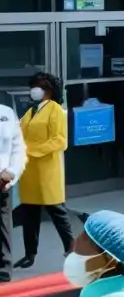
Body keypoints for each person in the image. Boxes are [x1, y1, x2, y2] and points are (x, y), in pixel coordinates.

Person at [14, 72, 74, 267]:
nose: (34, 90)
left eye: (38, 86)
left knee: (57, 211)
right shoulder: (30, 111)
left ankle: (71, 249)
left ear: (48, 90)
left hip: (47, 170)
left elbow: (60, 141)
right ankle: (29, 254)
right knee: (29, 214)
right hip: (29, 170)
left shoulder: (56, 109)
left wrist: (31, 150)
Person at [0, 101, 26, 283]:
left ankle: (4, 272)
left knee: (3, 226)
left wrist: (12, 173)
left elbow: (19, 149)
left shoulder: (6, 113)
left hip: (2, 183)